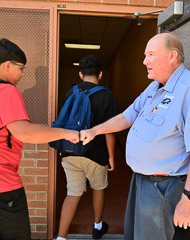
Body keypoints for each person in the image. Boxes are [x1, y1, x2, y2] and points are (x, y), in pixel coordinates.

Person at [80, 33, 190, 240]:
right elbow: (127, 116)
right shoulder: (155, 86)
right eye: (145, 55)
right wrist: (95, 130)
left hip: (163, 187)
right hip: (141, 181)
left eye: (151, 54)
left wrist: (189, 200)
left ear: (172, 56)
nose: (145, 61)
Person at [0, 38, 79, 240]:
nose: (23, 73)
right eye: (21, 68)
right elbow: (24, 133)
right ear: (7, 65)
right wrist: (65, 133)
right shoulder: (5, 90)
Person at [56, 55, 120, 240]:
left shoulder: (71, 93)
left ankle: (61, 237)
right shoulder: (106, 95)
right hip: (96, 153)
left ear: (80, 74)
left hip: (70, 150)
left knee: (73, 193)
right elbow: (110, 130)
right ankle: (97, 227)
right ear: (100, 74)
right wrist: (111, 157)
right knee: (98, 188)